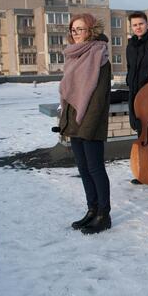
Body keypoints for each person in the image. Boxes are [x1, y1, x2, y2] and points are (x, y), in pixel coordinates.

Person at [58, 13, 113, 235]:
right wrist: (67, 121)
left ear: (90, 30)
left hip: (90, 120)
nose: (76, 33)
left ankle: (104, 214)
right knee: (83, 168)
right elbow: (70, 90)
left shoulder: (99, 55)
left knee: (95, 168)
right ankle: (92, 210)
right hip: (74, 119)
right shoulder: (73, 55)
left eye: (80, 29)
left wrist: (87, 126)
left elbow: (99, 97)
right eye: (73, 29)